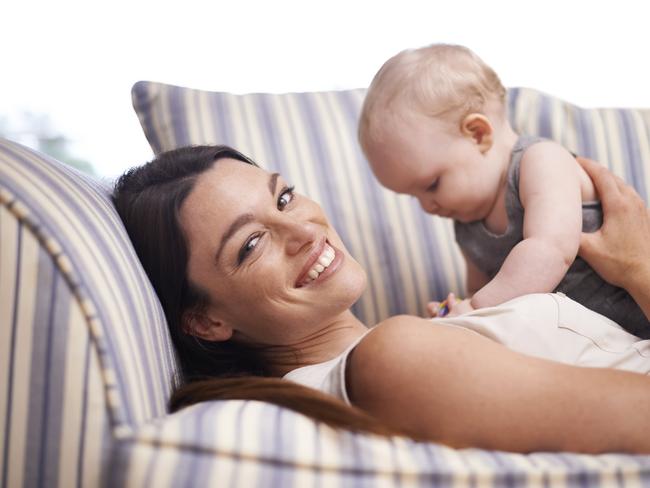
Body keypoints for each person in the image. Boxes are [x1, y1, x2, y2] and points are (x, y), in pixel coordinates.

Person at [112, 145, 650, 454]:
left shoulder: (405, 343)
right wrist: (639, 267)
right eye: (251, 244)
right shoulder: (391, 361)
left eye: (284, 196)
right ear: (206, 321)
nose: (302, 230)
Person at [357, 43, 650, 339]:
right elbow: (482, 290)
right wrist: (460, 313)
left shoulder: (540, 161)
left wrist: (479, 308)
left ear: (478, 134)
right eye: (413, 196)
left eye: (432, 185)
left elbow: (550, 248)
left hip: (634, 327)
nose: (427, 207)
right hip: (576, 346)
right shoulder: (467, 224)